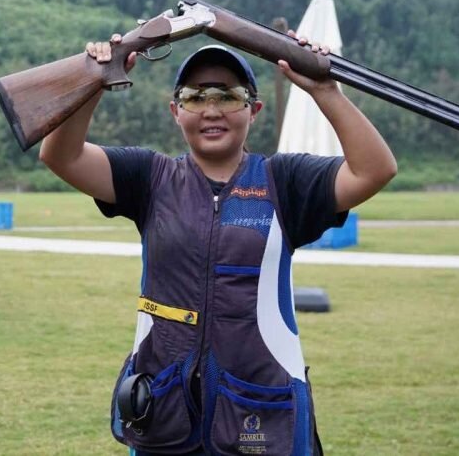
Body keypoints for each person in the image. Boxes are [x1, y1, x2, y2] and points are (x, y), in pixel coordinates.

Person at [38, 35, 396, 455]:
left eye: (228, 95)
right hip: (165, 410)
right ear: (176, 111)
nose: (211, 110)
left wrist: (323, 88)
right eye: (195, 96)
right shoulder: (149, 178)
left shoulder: (285, 181)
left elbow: (375, 169)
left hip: (262, 411)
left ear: (253, 110)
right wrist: (93, 81)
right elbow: (60, 155)